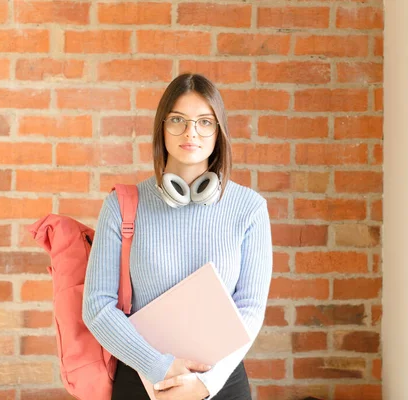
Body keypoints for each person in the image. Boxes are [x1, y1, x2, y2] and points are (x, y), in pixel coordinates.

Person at [82, 73, 273, 400]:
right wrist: (161, 368)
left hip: (222, 382)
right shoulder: (122, 206)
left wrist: (205, 384)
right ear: (162, 128)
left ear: (218, 132)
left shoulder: (249, 208)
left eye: (204, 122)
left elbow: (250, 309)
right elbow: (97, 307)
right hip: (142, 379)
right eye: (178, 120)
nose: (191, 132)